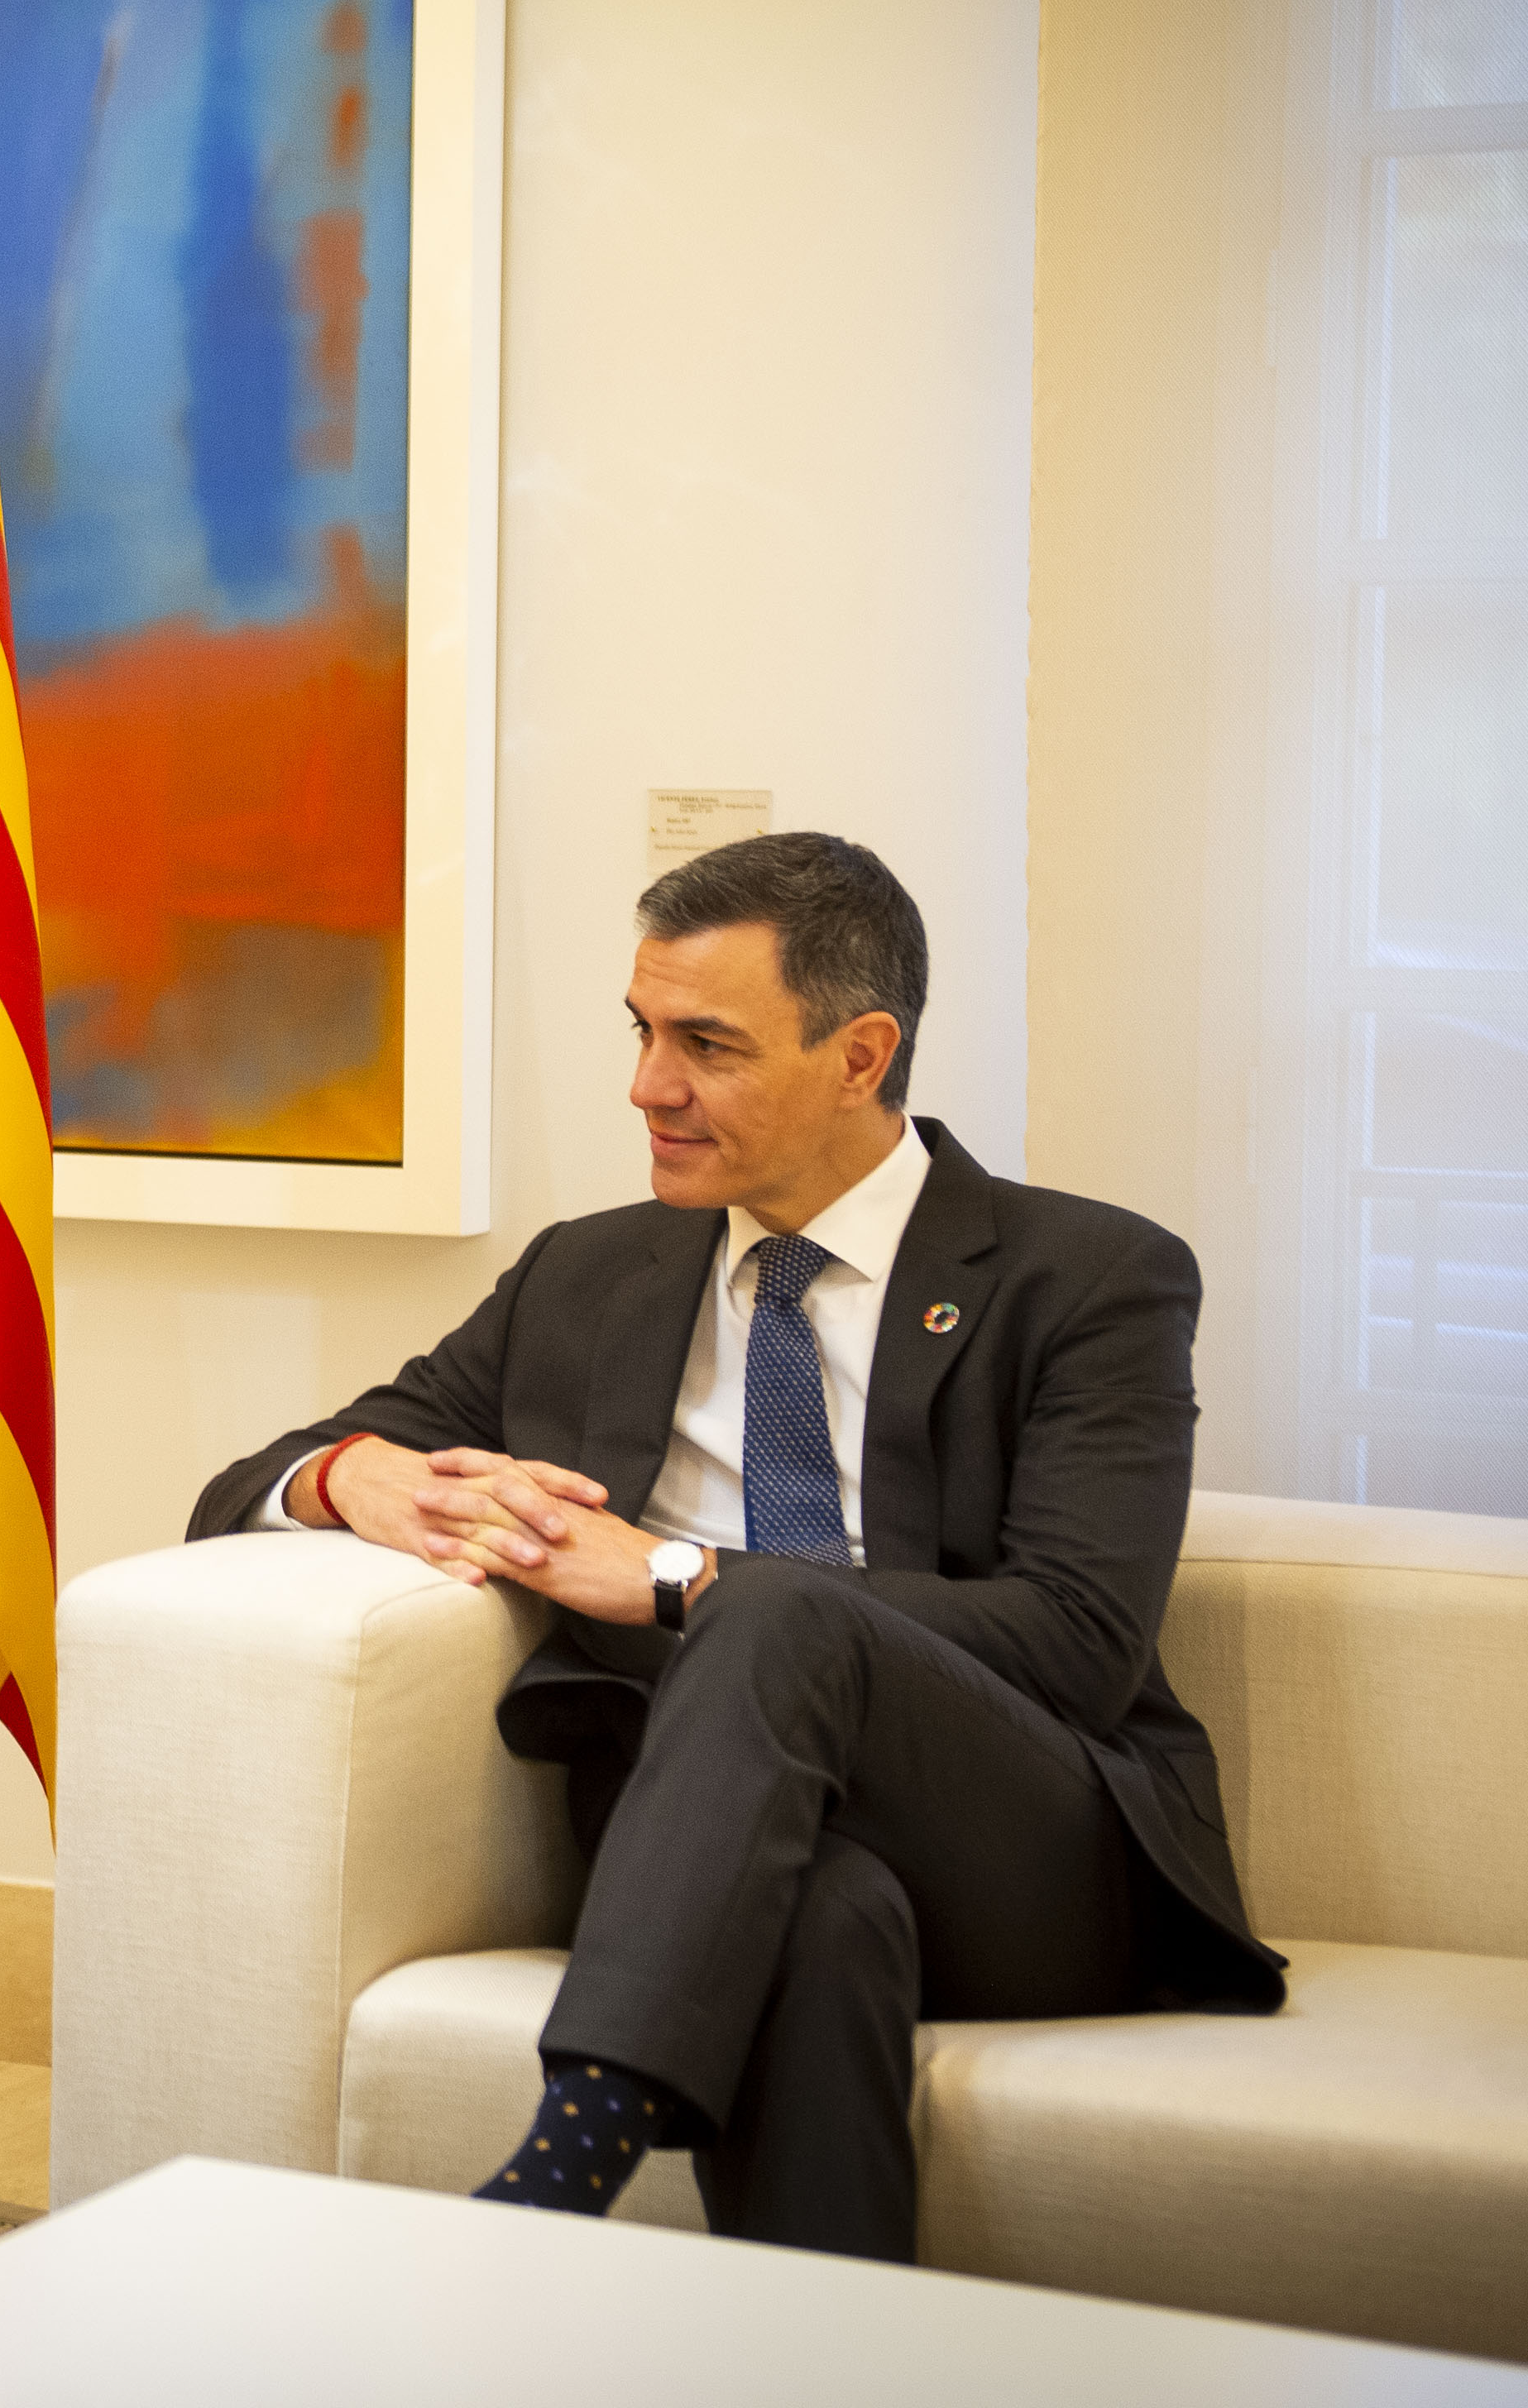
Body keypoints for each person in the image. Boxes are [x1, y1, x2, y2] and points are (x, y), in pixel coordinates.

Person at [190, 831, 1280, 2259]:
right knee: (818, 1919)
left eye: (706, 1043)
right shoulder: (591, 1272)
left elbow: (1079, 1640)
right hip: (732, 1848)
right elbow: (232, 1494)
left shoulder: (1087, 1278)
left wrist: (671, 1577)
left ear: (860, 1053)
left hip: (1029, 1842)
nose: (649, 1086)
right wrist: (355, 1478)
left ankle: (568, 2158)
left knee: (773, 1611)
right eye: (642, 1032)